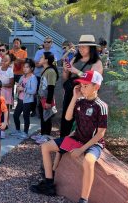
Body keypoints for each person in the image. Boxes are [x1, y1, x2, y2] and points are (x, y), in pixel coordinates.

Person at [30, 70, 107, 203]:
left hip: (93, 143)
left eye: (86, 85)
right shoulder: (80, 102)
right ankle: (49, 184)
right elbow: (67, 117)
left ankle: (84, 199)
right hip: (77, 138)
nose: (82, 88)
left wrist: (82, 150)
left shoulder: (101, 106)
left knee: (88, 161)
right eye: (81, 85)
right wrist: (74, 97)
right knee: (45, 147)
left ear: (96, 87)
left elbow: (100, 133)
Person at [61, 35, 103, 137]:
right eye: (79, 47)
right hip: (71, 92)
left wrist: (76, 71)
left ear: (91, 48)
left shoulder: (97, 63)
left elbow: (93, 81)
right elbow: (66, 77)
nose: (80, 49)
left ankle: (76, 144)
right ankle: (63, 144)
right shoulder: (76, 58)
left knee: (80, 119)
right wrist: (66, 70)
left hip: (85, 95)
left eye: (84, 47)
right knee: (66, 117)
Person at [31, 52, 59, 144]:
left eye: (42, 57)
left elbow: (51, 87)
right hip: (42, 97)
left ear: (46, 60)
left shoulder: (50, 71)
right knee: (43, 117)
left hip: (46, 98)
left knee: (47, 117)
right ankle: (43, 134)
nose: (40, 59)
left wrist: (48, 101)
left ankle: (46, 136)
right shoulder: (46, 70)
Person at [33, 36, 59, 117]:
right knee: (38, 94)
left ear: (52, 43)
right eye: (45, 42)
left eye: (48, 42)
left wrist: (42, 63)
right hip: (38, 75)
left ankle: (47, 111)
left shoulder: (54, 51)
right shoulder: (39, 52)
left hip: (48, 76)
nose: (46, 43)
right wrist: (42, 63)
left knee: (47, 93)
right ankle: (37, 111)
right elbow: (35, 64)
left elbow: (53, 64)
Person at [12, 59, 37, 139]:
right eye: (24, 67)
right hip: (20, 99)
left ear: (32, 68)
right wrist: (18, 87)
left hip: (28, 101)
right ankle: (18, 130)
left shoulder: (33, 78)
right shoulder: (22, 77)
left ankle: (25, 133)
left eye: (27, 67)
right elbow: (19, 85)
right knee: (15, 115)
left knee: (26, 117)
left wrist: (23, 89)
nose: (24, 69)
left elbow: (33, 91)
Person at [0, 54, 14, 139]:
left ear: (9, 62)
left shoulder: (10, 71)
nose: (3, 62)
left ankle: (3, 129)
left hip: (6, 93)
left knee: (4, 110)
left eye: (6, 60)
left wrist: (2, 85)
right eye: (2, 60)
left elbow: (11, 84)